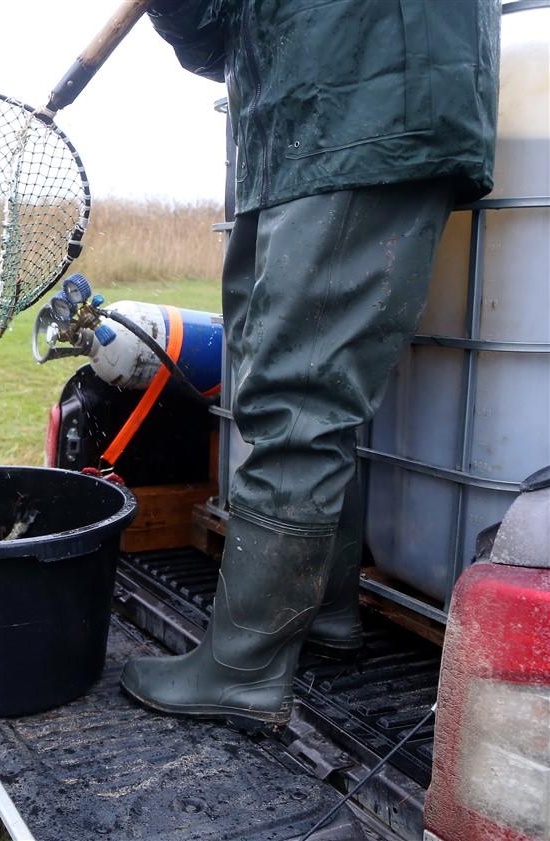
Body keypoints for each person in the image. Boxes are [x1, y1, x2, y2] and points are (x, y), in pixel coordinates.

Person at [121, 1, 499, 732]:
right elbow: (215, 34)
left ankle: (244, 668)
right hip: (306, 116)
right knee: (293, 384)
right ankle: (322, 607)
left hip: (359, 100)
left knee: (297, 394)